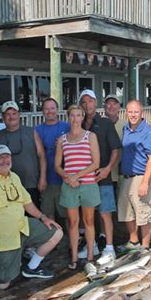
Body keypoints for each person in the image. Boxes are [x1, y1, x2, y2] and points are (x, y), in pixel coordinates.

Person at [0, 145, 63, 290]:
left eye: (7, 156)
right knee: (2, 284)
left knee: (57, 232)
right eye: (0, 157)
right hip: (3, 240)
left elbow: (27, 203)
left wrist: (43, 217)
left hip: (22, 227)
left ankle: (31, 268)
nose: (5, 160)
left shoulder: (14, 177)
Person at [55, 105, 100, 270]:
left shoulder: (90, 136)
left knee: (89, 221)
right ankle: (74, 256)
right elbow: (57, 166)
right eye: (72, 115)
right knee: (73, 223)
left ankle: (89, 255)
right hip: (69, 185)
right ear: (68, 117)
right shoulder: (62, 139)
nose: (75, 119)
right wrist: (68, 178)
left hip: (88, 184)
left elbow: (96, 163)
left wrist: (77, 176)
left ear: (83, 117)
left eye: (78, 115)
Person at [79, 90, 121, 264]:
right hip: (84, 179)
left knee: (105, 213)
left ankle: (109, 248)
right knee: (88, 215)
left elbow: (116, 149)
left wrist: (108, 169)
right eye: (84, 102)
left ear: (95, 103)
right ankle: (93, 245)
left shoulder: (105, 123)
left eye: (90, 101)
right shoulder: (77, 124)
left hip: (102, 177)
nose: (87, 105)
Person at [118, 99, 151, 250]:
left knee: (143, 213)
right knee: (126, 212)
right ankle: (134, 242)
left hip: (142, 177)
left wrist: (145, 182)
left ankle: (145, 247)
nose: (133, 115)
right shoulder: (126, 129)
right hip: (127, 177)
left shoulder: (149, 132)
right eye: (130, 112)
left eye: (136, 112)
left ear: (142, 113)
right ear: (126, 112)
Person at [0, 101, 47, 208]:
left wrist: (43, 178)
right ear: (2, 117)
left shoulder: (31, 132)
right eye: (7, 114)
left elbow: (42, 155)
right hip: (7, 187)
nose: (11, 117)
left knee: (33, 219)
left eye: (14, 113)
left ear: (19, 115)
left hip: (32, 184)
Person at [35, 98, 70, 221]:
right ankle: (54, 238)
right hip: (47, 177)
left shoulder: (67, 126)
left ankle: (72, 238)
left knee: (67, 212)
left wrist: (64, 146)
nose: (50, 111)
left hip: (66, 177)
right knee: (48, 211)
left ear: (57, 110)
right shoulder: (37, 130)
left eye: (52, 108)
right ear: (42, 111)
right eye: (46, 108)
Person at [104, 94, 124, 188]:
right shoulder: (99, 124)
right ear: (104, 106)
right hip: (103, 176)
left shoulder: (126, 125)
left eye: (115, 104)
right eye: (108, 104)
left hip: (121, 175)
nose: (111, 106)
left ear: (119, 107)